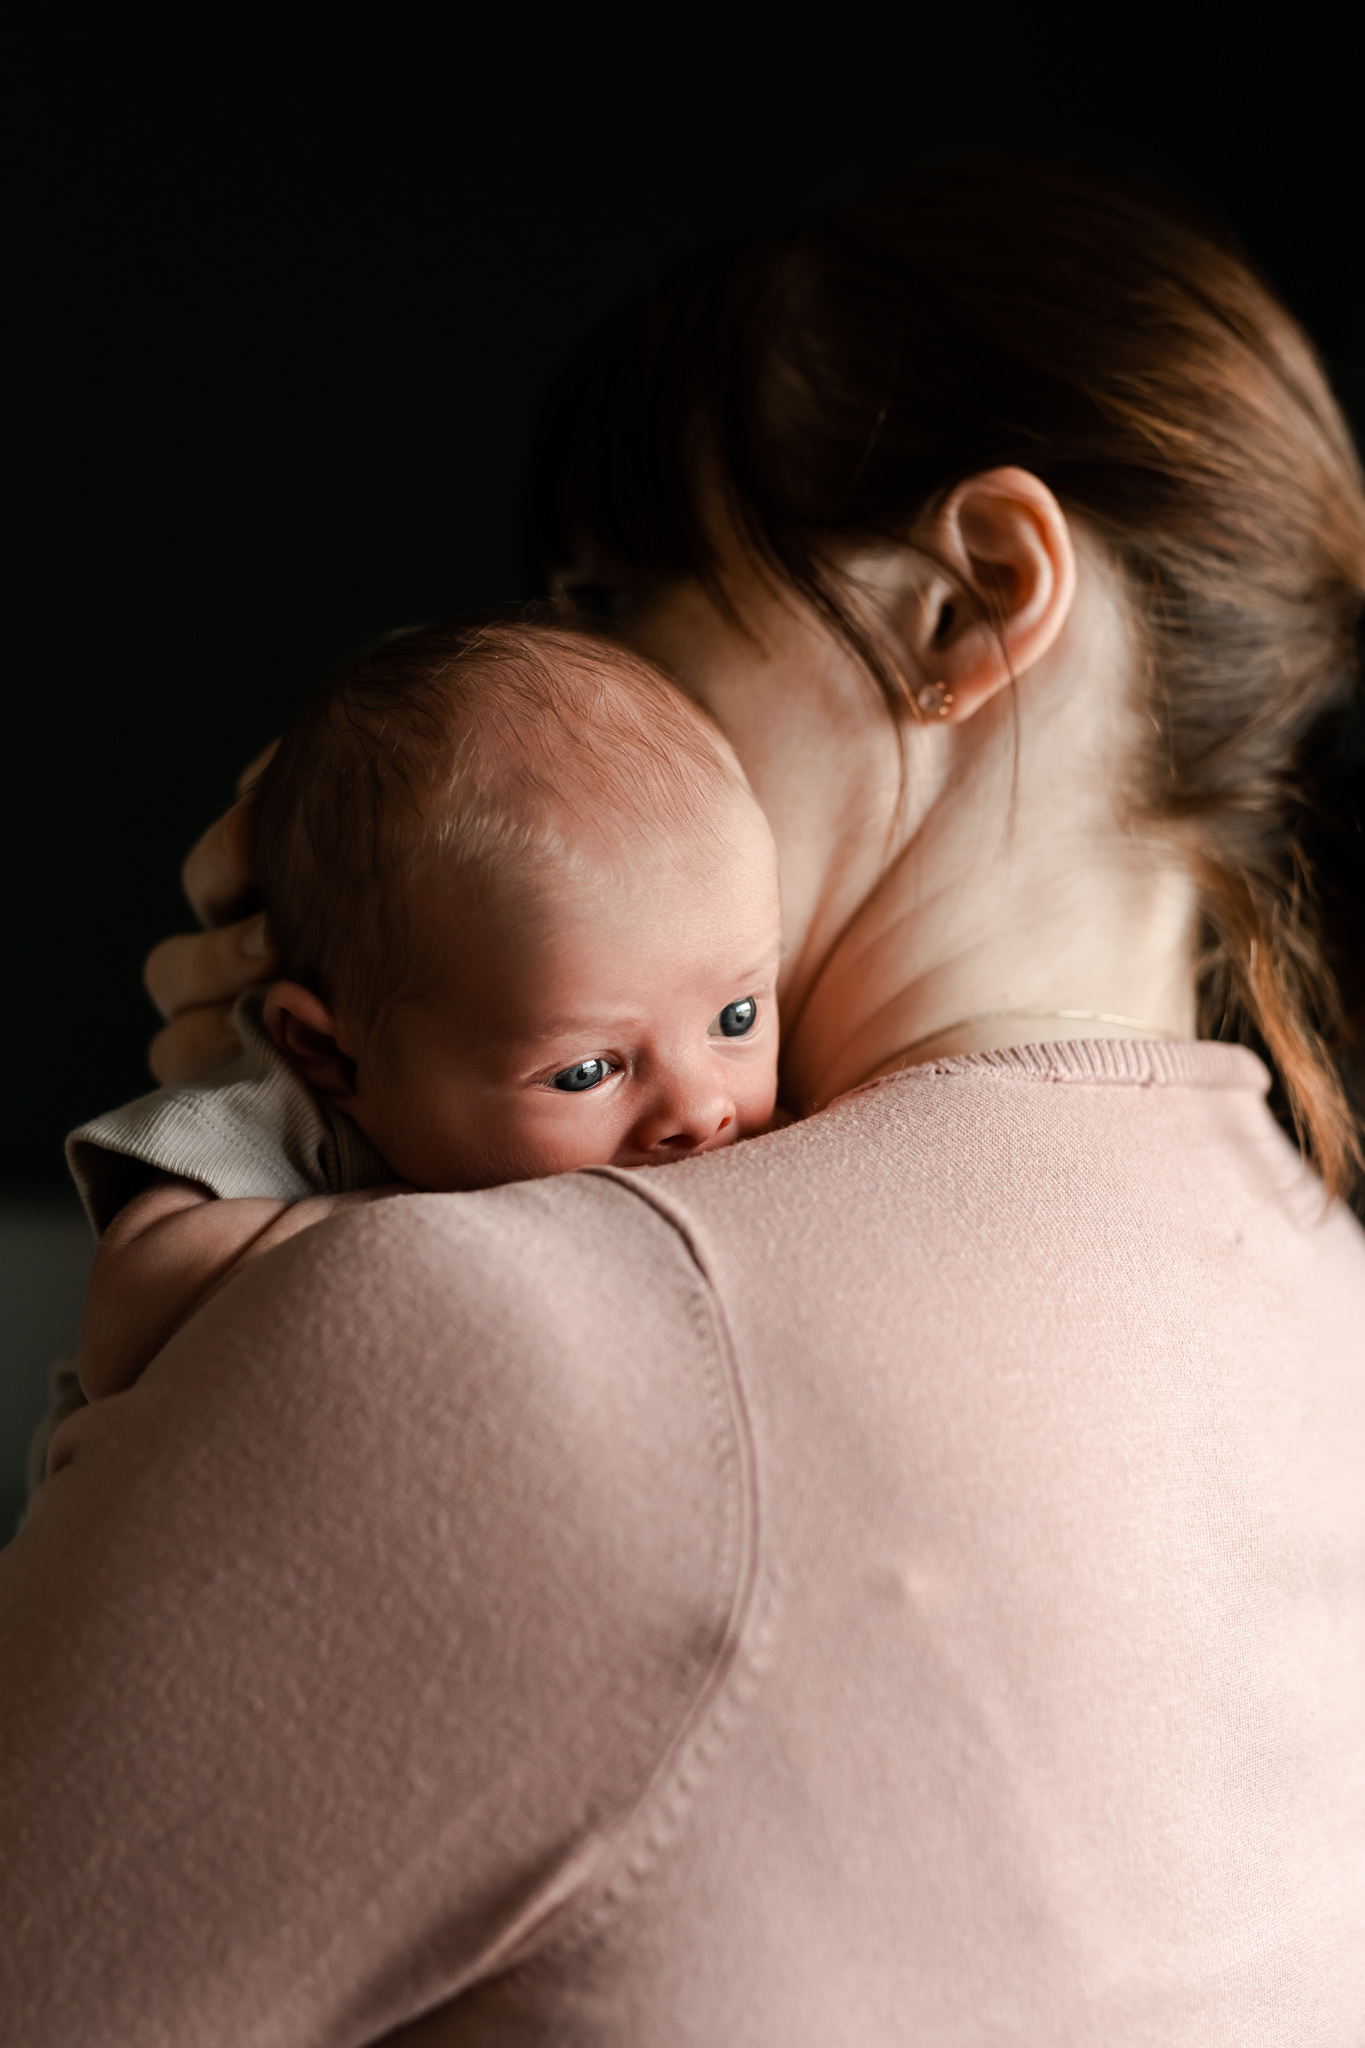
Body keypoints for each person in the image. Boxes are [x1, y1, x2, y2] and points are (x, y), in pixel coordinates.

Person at [3, 159, 1364, 2045]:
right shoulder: (1329, 1292)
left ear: (971, 600)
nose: (562, 689)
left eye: (613, 595)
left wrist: (210, 1291)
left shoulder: (511, 1333)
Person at [65, 619, 781, 1400]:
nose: (703, 1107)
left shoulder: (708, 1112)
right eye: (584, 1072)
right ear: (330, 1055)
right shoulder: (286, 1115)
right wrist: (464, 1225)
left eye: (736, 1019)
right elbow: (123, 1325)